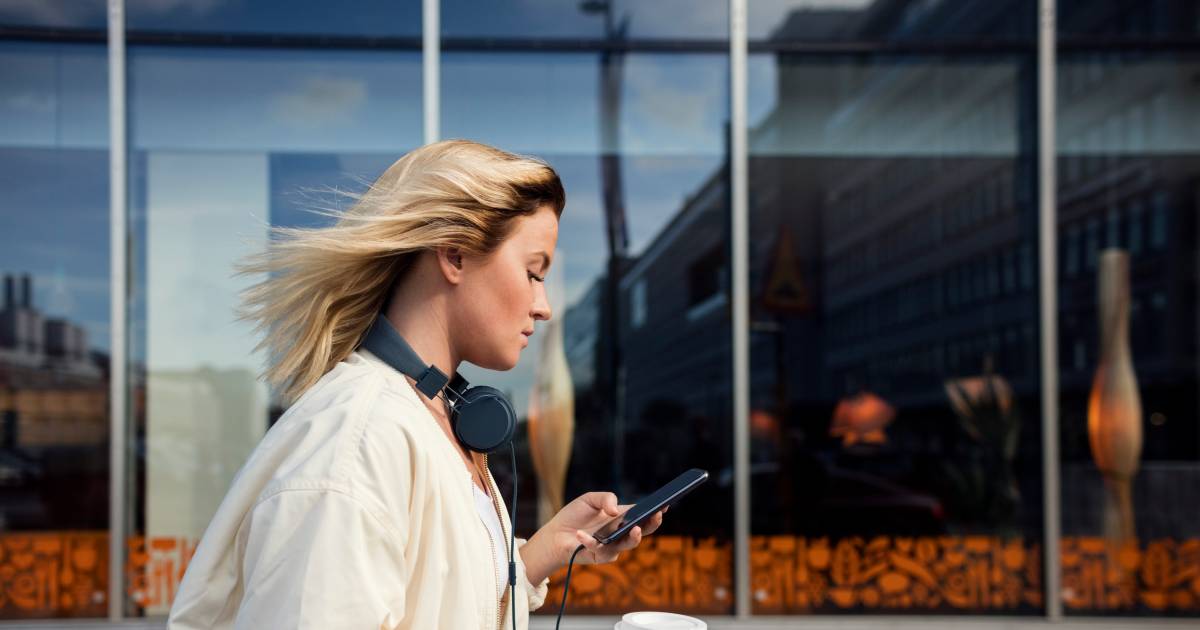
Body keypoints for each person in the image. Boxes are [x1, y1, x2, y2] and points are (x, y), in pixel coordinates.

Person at [167, 140, 665, 629]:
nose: (544, 306)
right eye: (533, 272)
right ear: (455, 255)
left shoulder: (431, 414)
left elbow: (442, 603)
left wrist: (544, 551)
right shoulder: (354, 444)